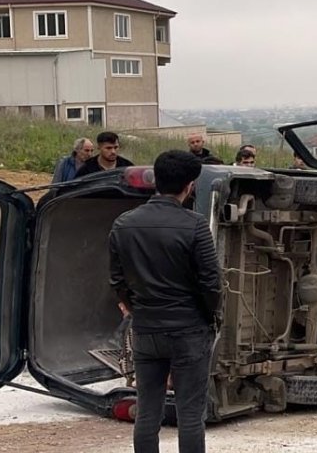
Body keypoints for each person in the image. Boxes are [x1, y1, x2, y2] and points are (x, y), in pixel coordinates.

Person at [108, 150, 222, 453]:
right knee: (190, 415)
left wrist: (135, 310)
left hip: (146, 329)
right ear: (190, 186)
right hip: (189, 330)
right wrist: (211, 316)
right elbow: (211, 283)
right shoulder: (196, 225)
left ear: (156, 180)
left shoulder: (123, 224)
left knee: (147, 413)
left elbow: (117, 280)